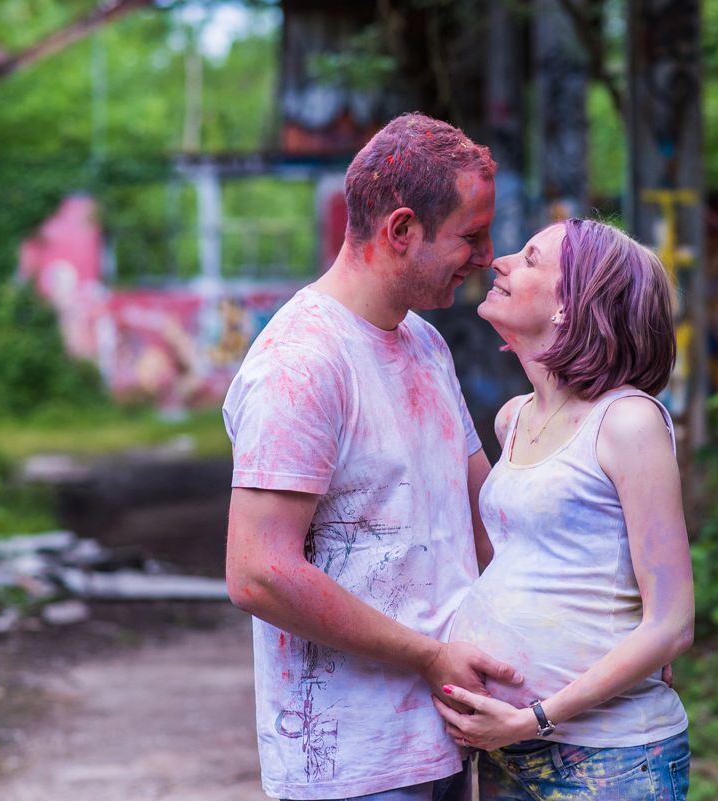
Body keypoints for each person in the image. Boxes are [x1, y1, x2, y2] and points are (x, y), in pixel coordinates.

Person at [223, 112, 521, 801]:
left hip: (445, 743)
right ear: (401, 231)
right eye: (470, 236)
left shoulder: (424, 342)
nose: (486, 255)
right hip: (352, 770)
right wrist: (428, 654)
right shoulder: (300, 362)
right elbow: (257, 572)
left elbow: (485, 523)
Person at [433, 218, 694, 801]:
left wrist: (534, 717)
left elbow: (672, 623)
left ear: (572, 309)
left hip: (610, 757)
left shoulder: (628, 422)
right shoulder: (512, 418)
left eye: (530, 259)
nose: (500, 263)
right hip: (506, 748)